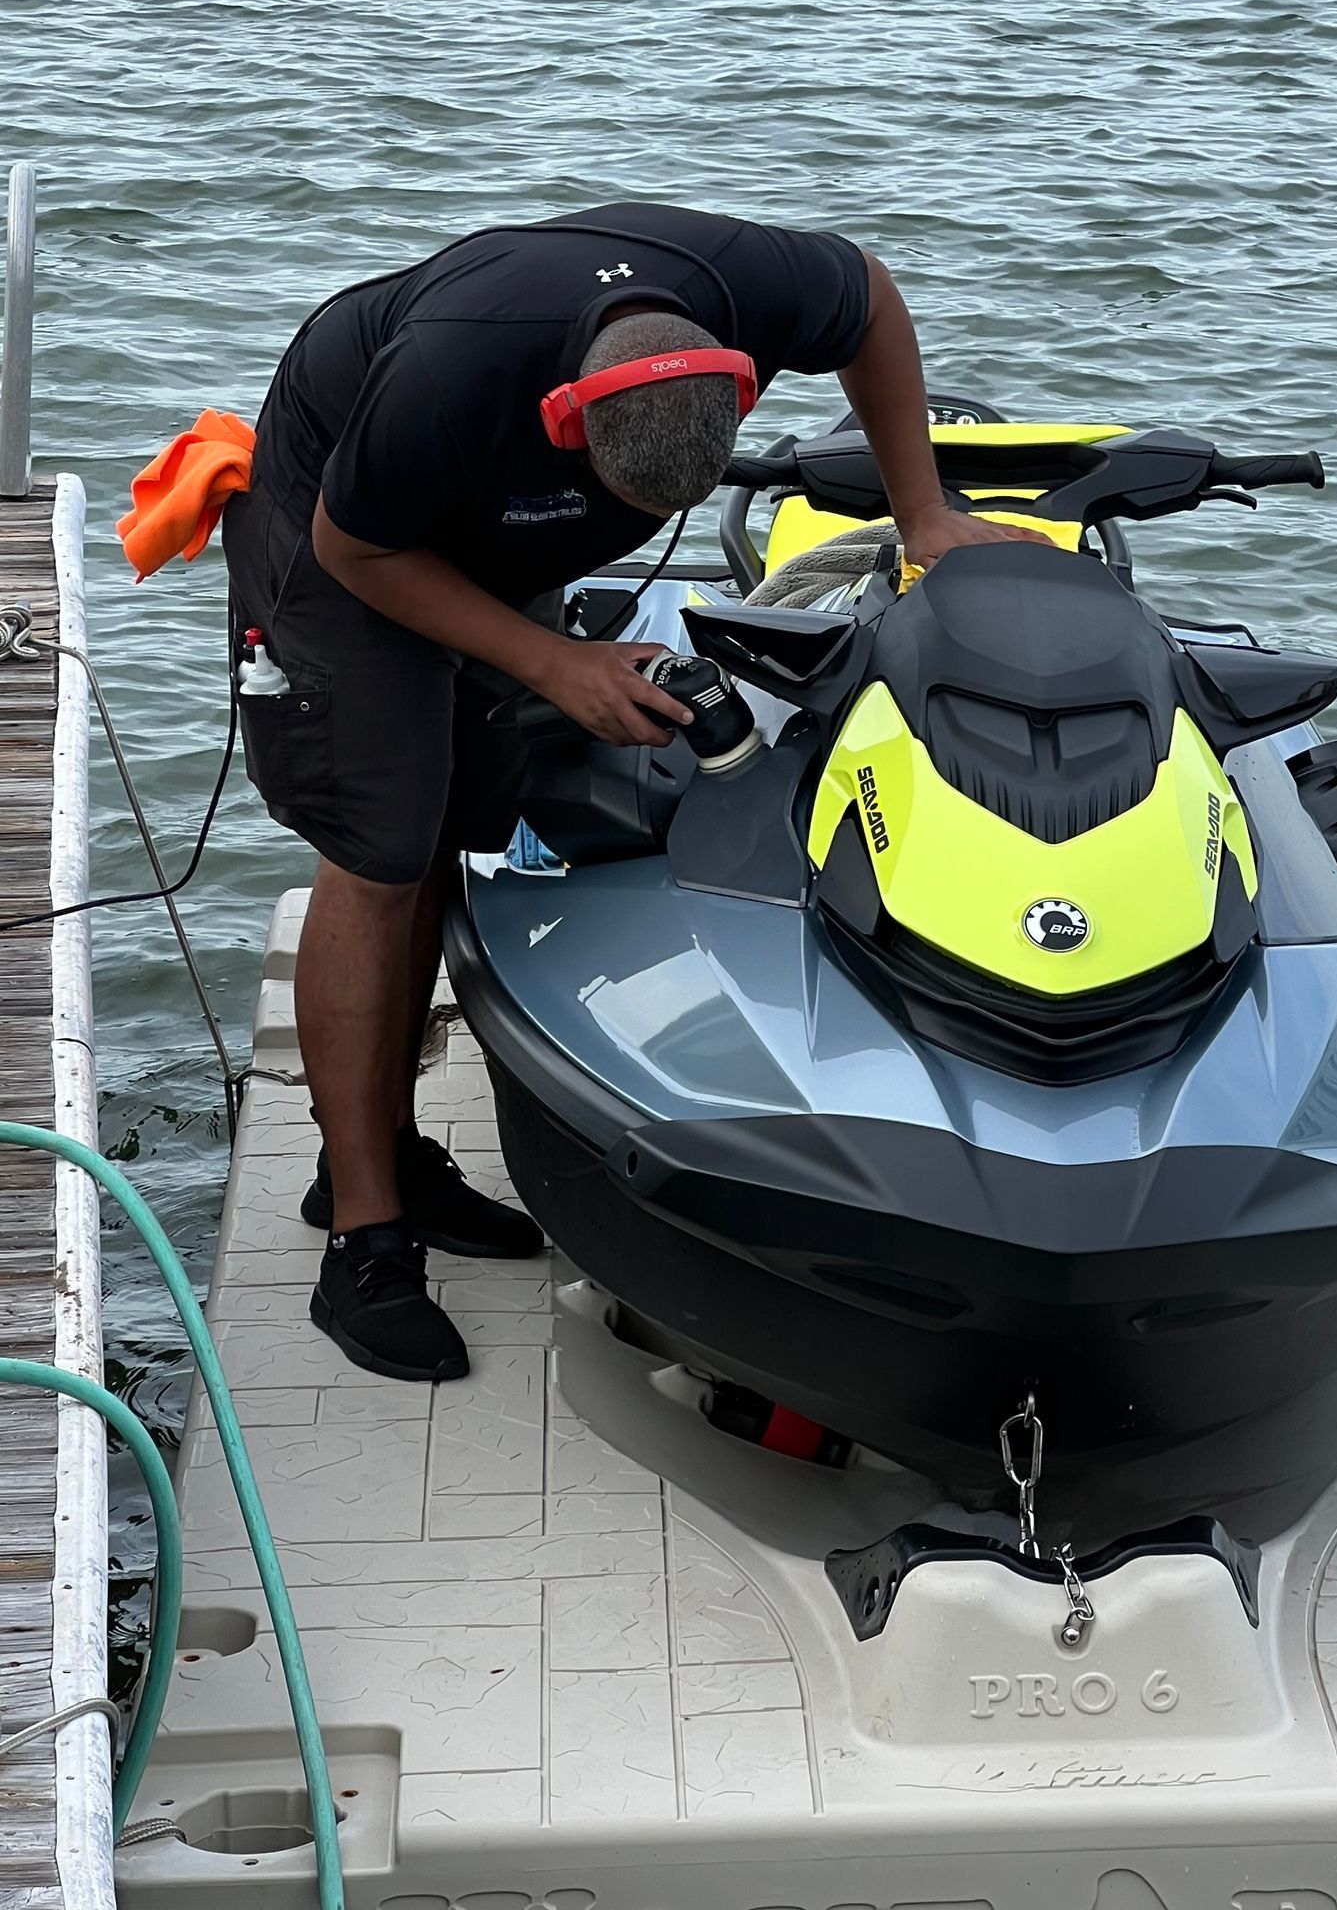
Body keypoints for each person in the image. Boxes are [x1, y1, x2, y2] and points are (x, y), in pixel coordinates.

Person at [223, 202, 1035, 1384]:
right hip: (346, 523)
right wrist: (555, 661)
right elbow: (360, 550)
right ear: (567, 427)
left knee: (462, 817)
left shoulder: (747, 278)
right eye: (627, 502)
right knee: (381, 843)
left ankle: (388, 1144)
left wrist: (924, 515)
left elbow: (869, 294)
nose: (649, 533)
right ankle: (363, 1232)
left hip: (501, 506)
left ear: (739, 385)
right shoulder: (447, 380)